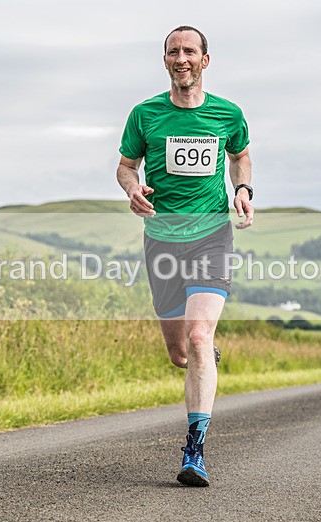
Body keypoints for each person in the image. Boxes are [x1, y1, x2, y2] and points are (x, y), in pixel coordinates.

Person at [116, 25, 253, 487]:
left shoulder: (227, 114)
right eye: (173, 52)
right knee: (181, 353)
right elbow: (126, 166)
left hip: (212, 236)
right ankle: (202, 354)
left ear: (205, 60)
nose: (182, 59)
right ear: (166, 61)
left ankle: (194, 451)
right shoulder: (145, 114)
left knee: (197, 335)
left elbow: (241, 155)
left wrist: (243, 188)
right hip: (162, 241)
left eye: (189, 51)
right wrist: (133, 188)